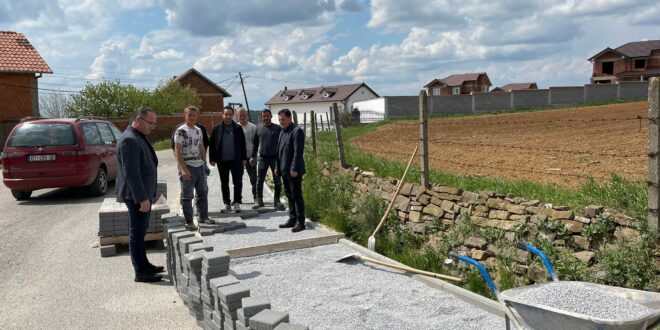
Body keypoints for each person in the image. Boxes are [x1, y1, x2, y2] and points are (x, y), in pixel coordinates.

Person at [116, 107, 163, 283]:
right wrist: (142, 198)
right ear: (138, 119)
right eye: (150, 123)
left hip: (143, 194)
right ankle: (140, 272)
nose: (153, 126)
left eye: (154, 123)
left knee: (141, 232)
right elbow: (132, 174)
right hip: (137, 196)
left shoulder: (137, 136)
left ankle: (144, 265)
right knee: (136, 234)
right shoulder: (129, 140)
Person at [174, 106, 209, 230]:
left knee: (203, 193)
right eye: (190, 115)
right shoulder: (180, 131)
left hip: (199, 166)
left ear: (197, 116)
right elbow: (177, 151)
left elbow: (201, 147)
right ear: (185, 116)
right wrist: (183, 169)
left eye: (194, 115)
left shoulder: (199, 130)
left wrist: (205, 163)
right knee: (187, 196)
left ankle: (203, 217)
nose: (192, 117)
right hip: (187, 166)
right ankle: (189, 221)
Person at [209, 106, 247, 213]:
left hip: (236, 160)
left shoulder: (238, 128)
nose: (228, 116)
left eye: (230, 114)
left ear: (233, 115)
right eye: (226, 114)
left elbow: (242, 144)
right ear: (222, 115)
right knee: (224, 183)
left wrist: (244, 158)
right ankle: (227, 203)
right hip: (222, 161)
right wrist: (212, 159)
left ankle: (237, 203)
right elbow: (212, 145)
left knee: (238, 182)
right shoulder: (216, 128)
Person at [275, 109, 306, 232]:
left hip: (294, 171)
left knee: (296, 195)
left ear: (289, 118)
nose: (281, 122)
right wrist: (277, 167)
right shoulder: (282, 132)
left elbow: (298, 152)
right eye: (279, 120)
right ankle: (292, 218)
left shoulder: (296, 131)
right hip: (283, 170)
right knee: (289, 195)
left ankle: (300, 221)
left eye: (283, 119)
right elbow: (279, 152)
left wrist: (294, 168)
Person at [252, 109, 285, 210]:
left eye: (267, 116)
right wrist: (252, 157)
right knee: (259, 180)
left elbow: (282, 143)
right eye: (264, 116)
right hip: (262, 158)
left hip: (275, 158)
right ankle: (259, 200)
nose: (266, 118)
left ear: (271, 116)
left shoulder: (278, 128)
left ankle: (277, 201)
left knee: (277, 180)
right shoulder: (258, 129)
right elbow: (255, 144)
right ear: (262, 117)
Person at [236, 107, 258, 205]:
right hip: (239, 158)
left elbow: (256, 143)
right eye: (240, 115)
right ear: (237, 116)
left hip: (250, 157)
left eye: (244, 115)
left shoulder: (253, 127)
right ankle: (238, 198)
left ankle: (256, 197)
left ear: (247, 116)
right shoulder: (235, 127)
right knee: (237, 179)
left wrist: (254, 156)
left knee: (253, 179)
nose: (242, 117)